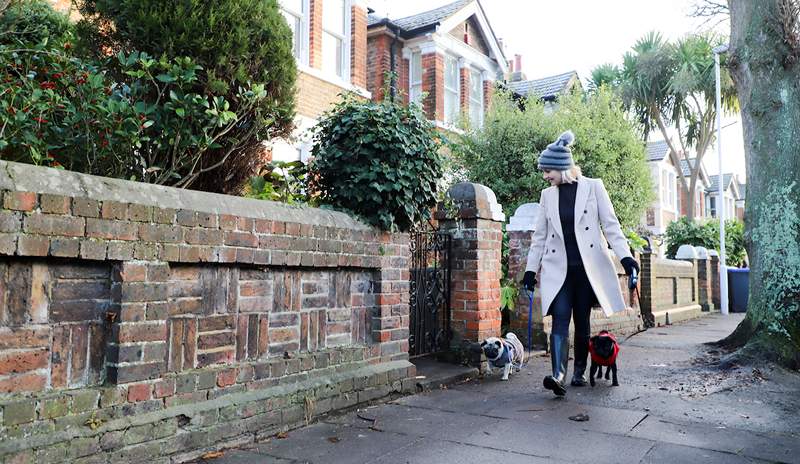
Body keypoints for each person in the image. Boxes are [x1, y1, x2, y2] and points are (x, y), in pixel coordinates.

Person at [521, 130, 638, 396]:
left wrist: (627, 257)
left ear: (562, 167)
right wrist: (530, 270)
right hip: (558, 270)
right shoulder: (547, 195)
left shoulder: (593, 187)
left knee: (582, 322)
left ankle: (578, 372)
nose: (544, 176)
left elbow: (611, 226)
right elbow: (539, 237)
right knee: (560, 318)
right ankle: (558, 375)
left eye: (547, 170)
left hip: (587, 270)